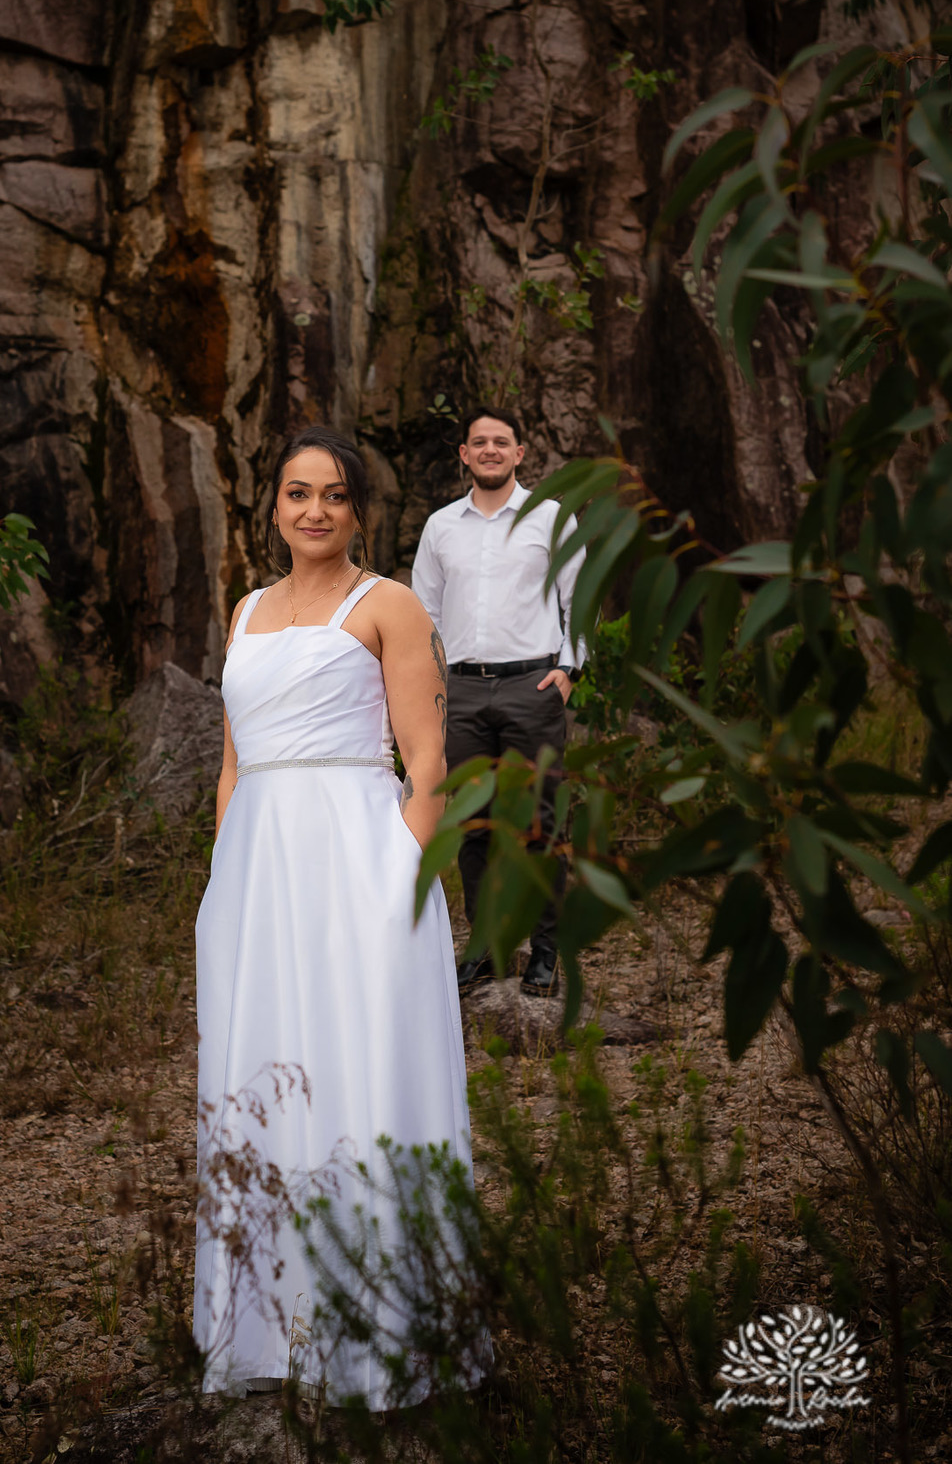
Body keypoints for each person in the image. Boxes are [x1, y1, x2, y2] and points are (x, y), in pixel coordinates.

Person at [193, 425, 482, 1407]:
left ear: (358, 510)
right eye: (297, 492)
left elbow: (428, 756)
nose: (314, 510)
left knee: (362, 1069)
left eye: (334, 494)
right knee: (267, 1073)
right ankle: (273, 1327)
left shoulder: (388, 603)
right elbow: (234, 764)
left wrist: (405, 872)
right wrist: (222, 878)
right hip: (257, 871)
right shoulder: (245, 611)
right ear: (273, 506)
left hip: (360, 859)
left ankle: (382, 1332)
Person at [410, 405, 586, 998]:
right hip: (461, 692)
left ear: (519, 453)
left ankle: (546, 951)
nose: (490, 450)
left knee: (541, 824)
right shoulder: (441, 527)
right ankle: (484, 949)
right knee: (473, 826)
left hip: (532, 687)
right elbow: (425, 613)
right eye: (479, 441)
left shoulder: (552, 519)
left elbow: (579, 601)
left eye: (501, 441)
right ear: (464, 454)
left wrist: (568, 670)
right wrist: (435, 685)